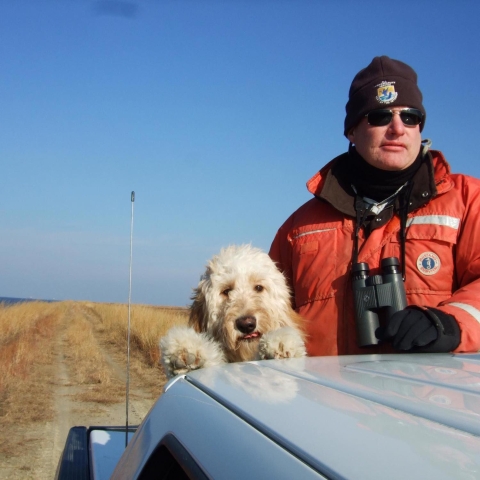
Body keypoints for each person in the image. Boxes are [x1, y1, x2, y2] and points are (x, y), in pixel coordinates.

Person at [269, 55, 480, 356]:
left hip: (427, 397)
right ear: (352, 131)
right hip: (321, 399)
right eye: (380, 116)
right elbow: (261, 311)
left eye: (410, 117)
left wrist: (449, 324)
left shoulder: (469, 201)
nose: (397, 127)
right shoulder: (299, 227)